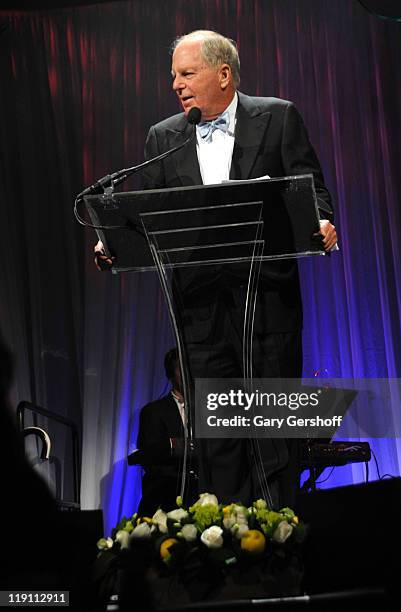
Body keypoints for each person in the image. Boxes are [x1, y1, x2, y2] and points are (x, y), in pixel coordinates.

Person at [97, 30, 337, 508]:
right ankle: (228, 545)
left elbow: (313, 192)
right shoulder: (163, 137)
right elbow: (151, 218)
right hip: (200, 310)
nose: (176, 86)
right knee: (221, 441)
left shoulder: (278, 117)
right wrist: (114, 242)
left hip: (267, 303)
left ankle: (280, 537)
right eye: (173, 77)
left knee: (271, 428)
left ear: (224, 74)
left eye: (187, 74)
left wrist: (324, 221)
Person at [133, 347, 197, 515]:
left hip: (204, 497)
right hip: (166, 499)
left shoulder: (210, 410)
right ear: (170, 374)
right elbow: (152, 455)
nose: (187, 373)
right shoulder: (153, 411)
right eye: (180, 368)